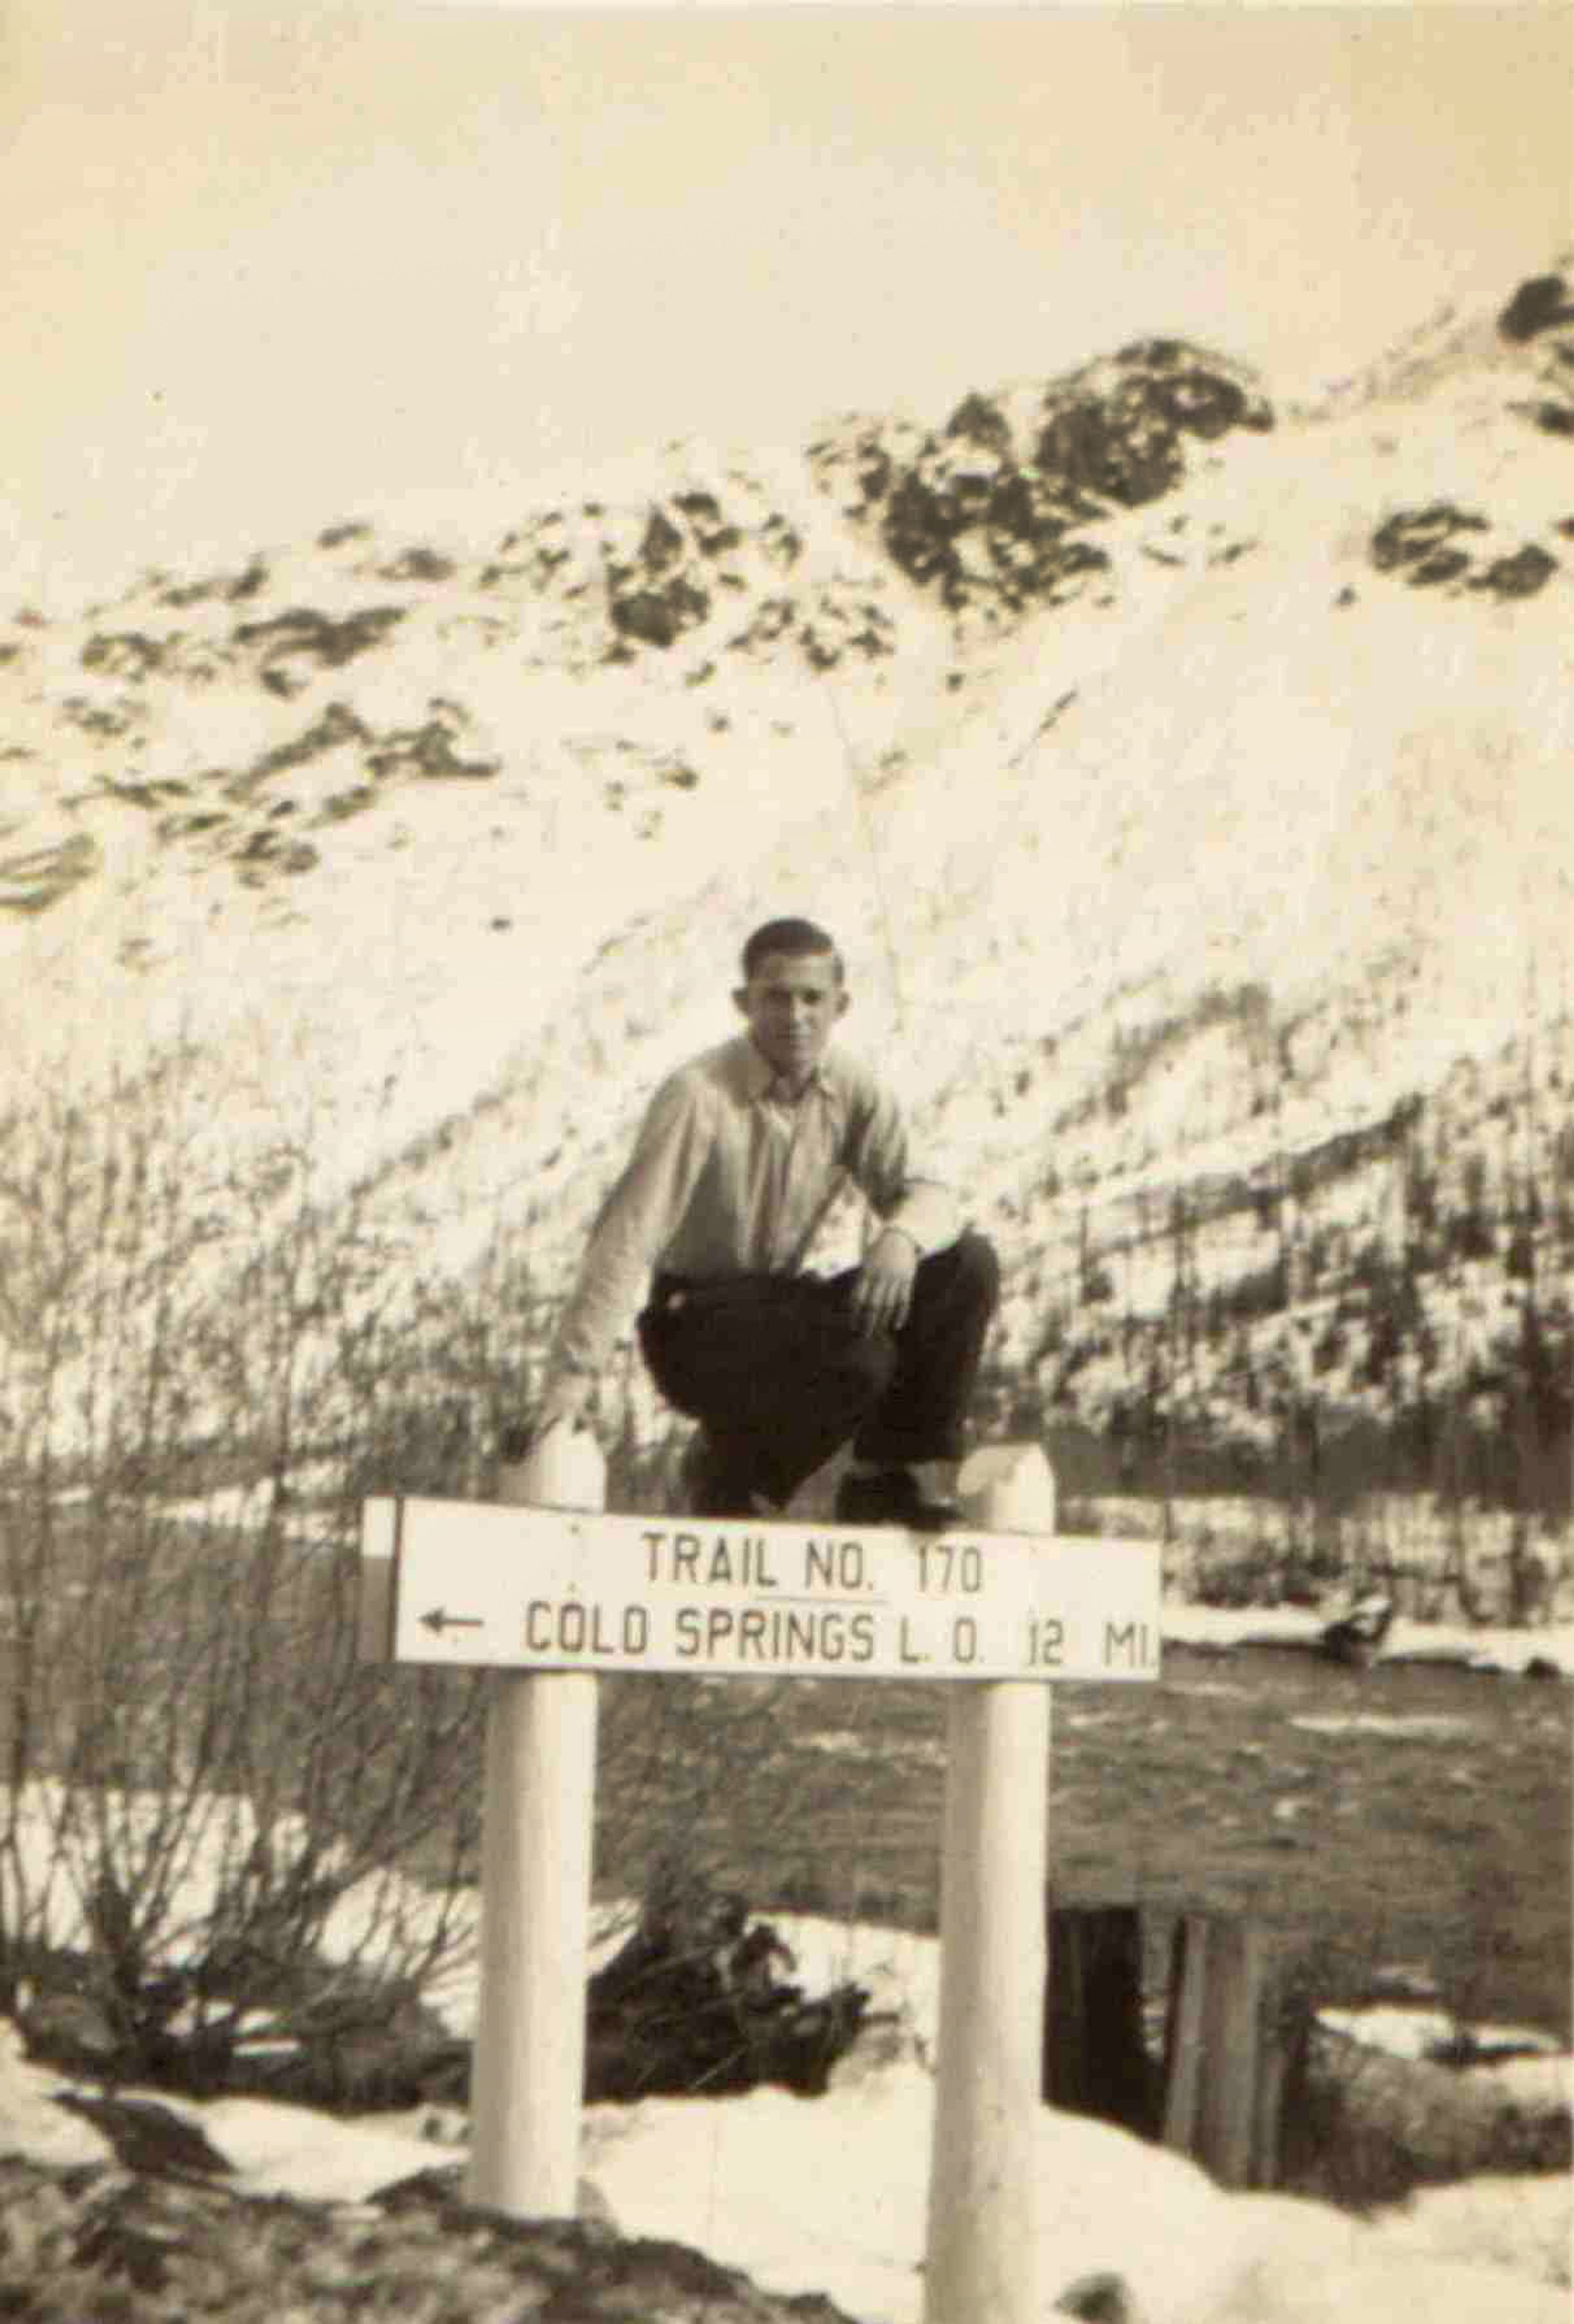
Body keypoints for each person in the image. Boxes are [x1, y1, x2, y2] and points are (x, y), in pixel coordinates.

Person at [530, 916, 999, 1527]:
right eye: (776, 997)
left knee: (966, 1266)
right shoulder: (698, 1096)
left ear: (840, 1005)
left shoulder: (852, 1090)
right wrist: (570, 1383)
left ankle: (883, 1478)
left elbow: (933, 1195)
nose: (795, 1016)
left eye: (813, 998)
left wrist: (901, 1237)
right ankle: (732, 1471)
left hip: (780, 1313)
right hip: (694, 1325)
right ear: (743, 1003)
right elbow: (624, 1241)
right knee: (861, 1354)